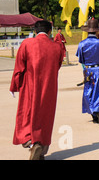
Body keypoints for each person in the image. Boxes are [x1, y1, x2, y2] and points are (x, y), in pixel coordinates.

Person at [10, 20, 64, 160]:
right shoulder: (57, 47)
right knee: (46, 115)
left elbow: (19, 67)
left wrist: (15, 85)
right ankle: (41, 146)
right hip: (50, 87)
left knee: (28, 113)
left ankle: (29, 141)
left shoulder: (27, 44)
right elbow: (57, 66)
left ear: (35, 31)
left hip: (30, 85)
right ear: (49, 31)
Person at [76, 19, 99, 123]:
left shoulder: (82, 44)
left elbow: (81, 60)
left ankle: (93, 112)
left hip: (89, 70)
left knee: (90, 91)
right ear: (97, 31)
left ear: (87, 31)